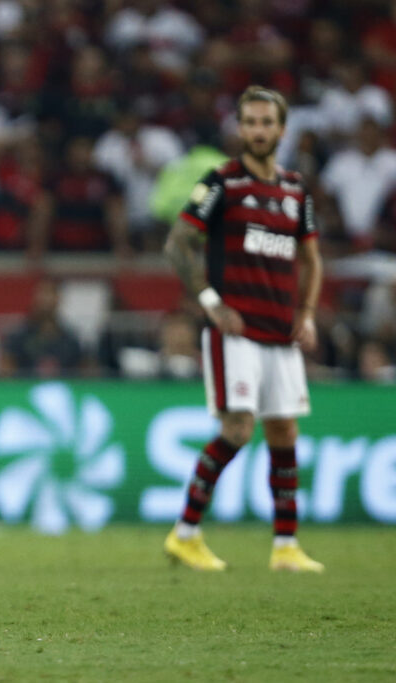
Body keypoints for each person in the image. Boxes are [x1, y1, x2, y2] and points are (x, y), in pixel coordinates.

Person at [162, 86, 324, 573]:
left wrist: (308, 312)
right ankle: (186, 533)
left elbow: (312, 260)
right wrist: (210, 302)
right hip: (236, 331)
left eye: (265, 123)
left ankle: (286, 547)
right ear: (240, 128)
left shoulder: (295, 190)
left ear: (281, 129)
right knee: (237, 428)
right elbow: (178, 243)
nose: (257, 131)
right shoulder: (222, 183)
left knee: (284, 431)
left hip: (280, 333)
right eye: (249, 122)